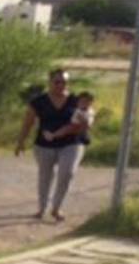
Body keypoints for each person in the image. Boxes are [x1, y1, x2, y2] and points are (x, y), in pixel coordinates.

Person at [15, 70, 90, 222]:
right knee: (45, 176)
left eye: (64, 82)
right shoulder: (39, 101)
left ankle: (56, 208)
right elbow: (28, 121)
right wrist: (21, 141)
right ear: (49, 83)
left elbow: (87, 122)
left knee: (67, 173)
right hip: (44, 144)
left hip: (71, 143)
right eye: (57, 82)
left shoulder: (76, 101)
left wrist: (85, 122)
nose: (61, 85)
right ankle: (42, 208)